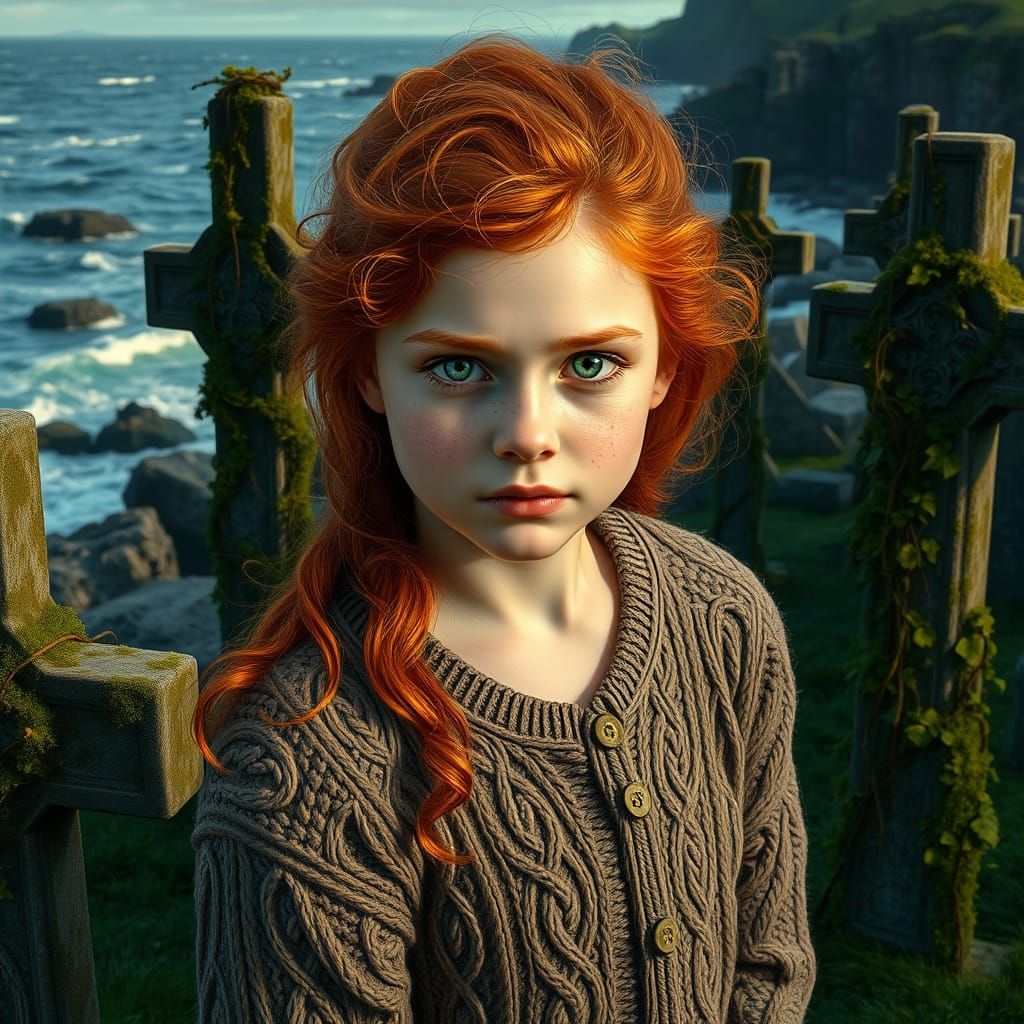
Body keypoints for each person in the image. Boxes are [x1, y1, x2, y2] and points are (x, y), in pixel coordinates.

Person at [190, 31, 817, 1023]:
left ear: (663, 362)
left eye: (588, 365)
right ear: (367, 373)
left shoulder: (722, 614)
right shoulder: (305, 768)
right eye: (457, 366)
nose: (527, 435)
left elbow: (770, 962)